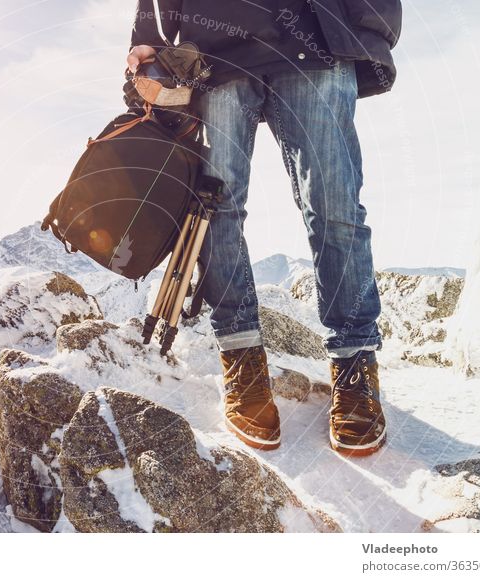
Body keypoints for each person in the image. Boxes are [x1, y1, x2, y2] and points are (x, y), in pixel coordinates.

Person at [127, 0, 402, 456]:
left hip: (315, 46)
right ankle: (241, 356)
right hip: (212, 57)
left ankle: (355, 362)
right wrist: (149, 45)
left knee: (335, 207)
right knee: (214, 209)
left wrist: (369, 30)